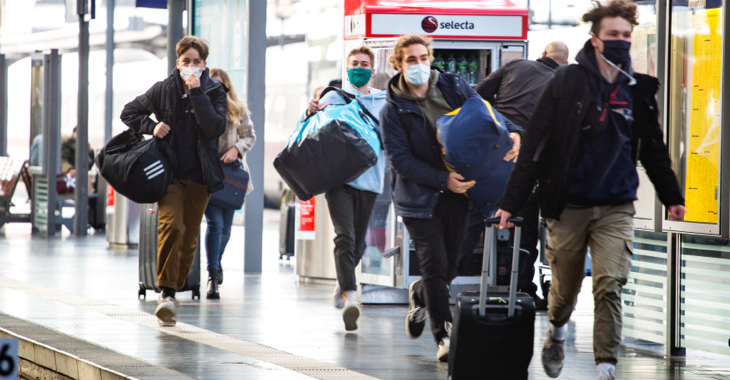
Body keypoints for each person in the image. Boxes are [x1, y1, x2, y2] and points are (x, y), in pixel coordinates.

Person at [494, 1, 685, 379]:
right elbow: (534, 144)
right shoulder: (566, 82)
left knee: (609, 284)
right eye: (613, 35)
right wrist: (510, 202)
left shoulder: (638, 88)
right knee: (564, 290)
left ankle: (606, 367)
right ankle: (557, 330)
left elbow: (654, 147)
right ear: (595, 39)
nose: (620, 41)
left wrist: (672, 196)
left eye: (626, 36)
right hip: (568, 204)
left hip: (616, 205)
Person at [380, 34, 522, 362]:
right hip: (419, 197)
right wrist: (443, 178)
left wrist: (514, 132)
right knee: (434, 263)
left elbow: (488, 115)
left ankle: (419, 294)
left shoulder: (453, 86)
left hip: (460, 193)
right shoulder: (393, 110)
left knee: (453, 263)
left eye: (422, 58)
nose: (418, 65)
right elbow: (399, 159)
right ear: (399, 65)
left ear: (430, 58)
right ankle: (443, 335)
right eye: (410, 60)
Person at [121, 36, 227, 326]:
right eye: (185, 62)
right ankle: (166, 293)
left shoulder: (215, 91)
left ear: (204, 65)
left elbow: (215, 127)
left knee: (189, 238)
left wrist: (197, 94)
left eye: (196, 62)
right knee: (172, 225)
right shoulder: (163, 90)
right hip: (169, 175)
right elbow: (129, 112)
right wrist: (153, 126)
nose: (190, 67)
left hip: (201, 177)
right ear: (177, 63)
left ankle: (174, 286)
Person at [458, 41, 570, 310]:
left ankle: (440, 279)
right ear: (564, 63)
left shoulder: (515, 65)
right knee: (525, 226)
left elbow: (476, 96)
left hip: (490, 152)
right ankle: (521, 288)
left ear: (542, 54)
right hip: (525, 163)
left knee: (471, 219)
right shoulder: (564, 84)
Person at [300, 46, 387, 331]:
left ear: (372, 70)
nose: (359, 68)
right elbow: (311, 131)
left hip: (371, 179)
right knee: (345, 238)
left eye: (364, 64)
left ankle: (342, 284)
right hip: (338, 179)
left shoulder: (383, 102)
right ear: (346, 67)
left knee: (358, 243)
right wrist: (308, 112)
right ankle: (351, 297)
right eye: (354, 63)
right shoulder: (334, 97)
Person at [203, 68, 256, 299]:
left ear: (227, 86)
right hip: (207, 174)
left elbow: (249, 136)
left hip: (232, 177)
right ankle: (212, 275)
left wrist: (236, 149)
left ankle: (217, 260)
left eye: (220, 85)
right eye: (212, 84)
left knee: (226, 228)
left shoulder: (238, 109)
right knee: (214, 224)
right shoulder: (199, 107)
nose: (216, 88)